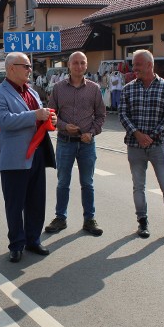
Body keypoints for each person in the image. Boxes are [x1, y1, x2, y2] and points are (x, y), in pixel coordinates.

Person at [0, 52, 57, 263]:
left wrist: (49, 117)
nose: (30, 69)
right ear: (11, 68)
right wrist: (35, 115)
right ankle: (16, 244)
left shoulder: (32, 92)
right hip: (15, 157)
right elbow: (3, 121)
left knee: (36, 201)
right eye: (26, 66)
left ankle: (33, 239)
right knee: (15, 204)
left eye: (30, 66)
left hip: (36, 153)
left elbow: (38, 116)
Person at [119, 50, 164, 240]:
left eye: (137, 64)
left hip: (158, 146)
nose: (134, 68)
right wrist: (137, 134)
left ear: (149, 65)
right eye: (133, 64)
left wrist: (151, 136)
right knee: (139, 186)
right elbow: (123, 114)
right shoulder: (128, 88)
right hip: (135, 145)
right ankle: (143, 223)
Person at [45, 51, 106, 236]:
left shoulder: (94, 89)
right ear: (69, 65)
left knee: (87, 183)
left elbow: (101, 115)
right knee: (63, 182)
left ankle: (89, 219)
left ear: (86, 66)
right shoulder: (58, 88)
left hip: (87, 143)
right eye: (75, 63)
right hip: (65, 141)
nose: (79, 66)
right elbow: (51, 115)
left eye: (82, 63)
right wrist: (63, 126)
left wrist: (91, 132)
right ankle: (60, 218)